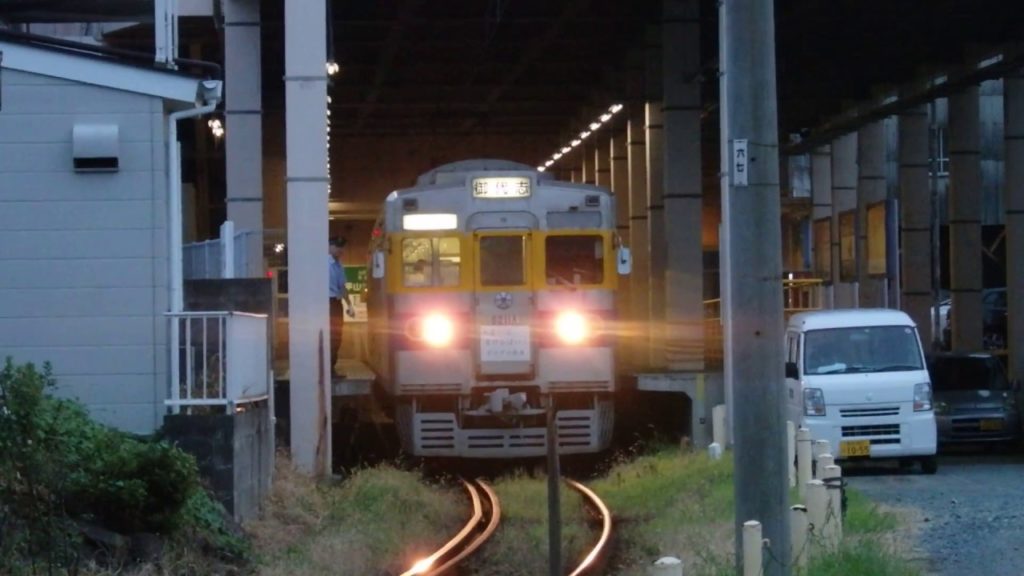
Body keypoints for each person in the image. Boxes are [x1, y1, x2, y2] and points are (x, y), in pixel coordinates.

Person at [329, 237, 356, 377]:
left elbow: (342, 287)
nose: (340, 250)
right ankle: (325, 370)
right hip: (323, 303)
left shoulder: (339, 265)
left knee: (336, 337)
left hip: (335, 303)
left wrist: (350, 305)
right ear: (329, 246)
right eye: (337, 246)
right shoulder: (322, 263)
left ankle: (331, 369)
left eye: (342, 247)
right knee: (328, 337)